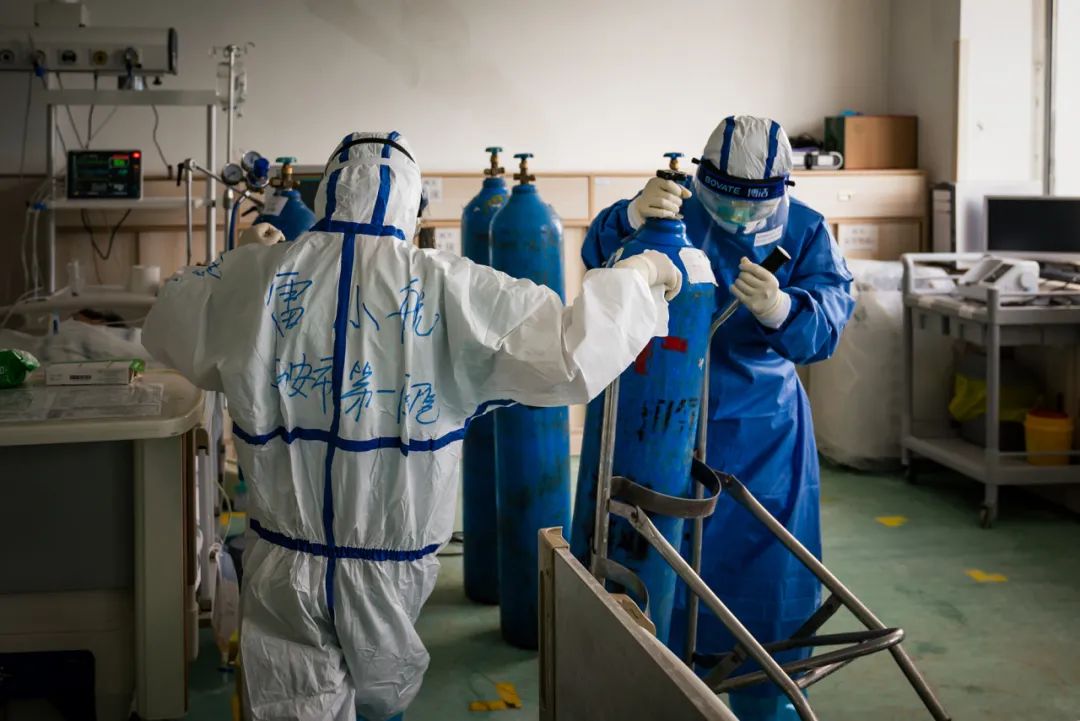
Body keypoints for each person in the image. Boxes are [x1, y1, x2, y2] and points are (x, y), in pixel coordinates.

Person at [143, 131, 681, 721]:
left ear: (327, 194)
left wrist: (238, 260)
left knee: (294, 701)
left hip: (281, 559)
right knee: (383, 698)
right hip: (393, 563)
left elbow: (168, 321)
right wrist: (640, 274)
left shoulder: (261, 278)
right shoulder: (450, 285)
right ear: (413, 206)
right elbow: (568, 353)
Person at [582, 115, 854, 721]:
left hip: (763, 429)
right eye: (725, 199)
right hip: (659, 415)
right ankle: (657, 687)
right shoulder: (670, 213)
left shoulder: (806, 231)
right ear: (703, 179)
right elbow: (603, 264)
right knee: (659, 563)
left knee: (767, 574)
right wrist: (627, 217)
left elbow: (830, 319)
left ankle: (765, 697)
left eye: (752, 205)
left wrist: (783, 309)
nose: (736, 216)